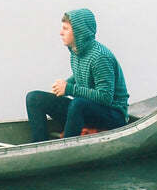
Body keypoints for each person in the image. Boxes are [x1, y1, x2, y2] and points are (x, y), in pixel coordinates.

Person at [26, 8, 130, 143]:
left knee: (78, 104)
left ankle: (65, 150)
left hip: (113, 115)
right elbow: (80, 75)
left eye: (65, 29)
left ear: (79, 32)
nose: (60, 33)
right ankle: (40, 146)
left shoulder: (100, 57)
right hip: (87, 110)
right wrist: (64, 86)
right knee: (34, 98)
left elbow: (105, 97)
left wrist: (69, 89)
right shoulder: (76, 53)